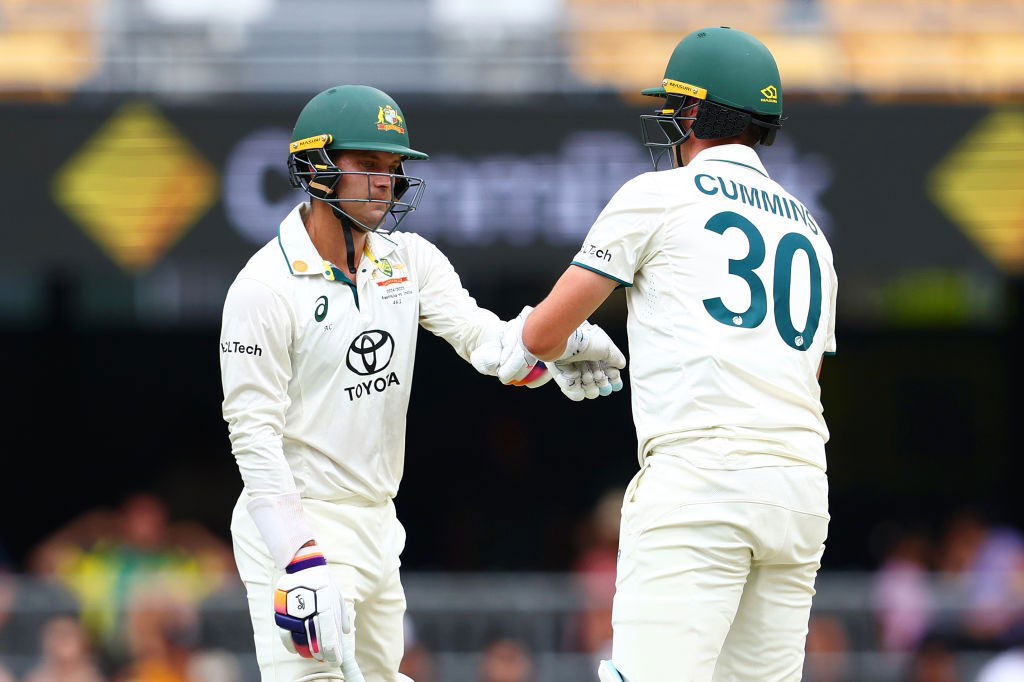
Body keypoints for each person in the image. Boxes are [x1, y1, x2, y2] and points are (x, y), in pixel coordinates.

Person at [220, 85, 626, 682]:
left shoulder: (408, 261)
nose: (384, 182)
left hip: (378, 523)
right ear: (315, 166)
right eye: (367, 165)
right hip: (298, 520)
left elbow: (493, 347)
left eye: (393, 168)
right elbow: (252, 436)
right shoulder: (262, 287)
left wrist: (560, 346)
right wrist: (299, 560)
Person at [495, 27, 838, 681]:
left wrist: (576, 345)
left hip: (702, 481)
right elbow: (803, 377)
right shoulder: (810, 230)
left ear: (694, 113)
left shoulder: (656, 196)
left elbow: (540, 336)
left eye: (677, 105)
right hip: (799, 491)